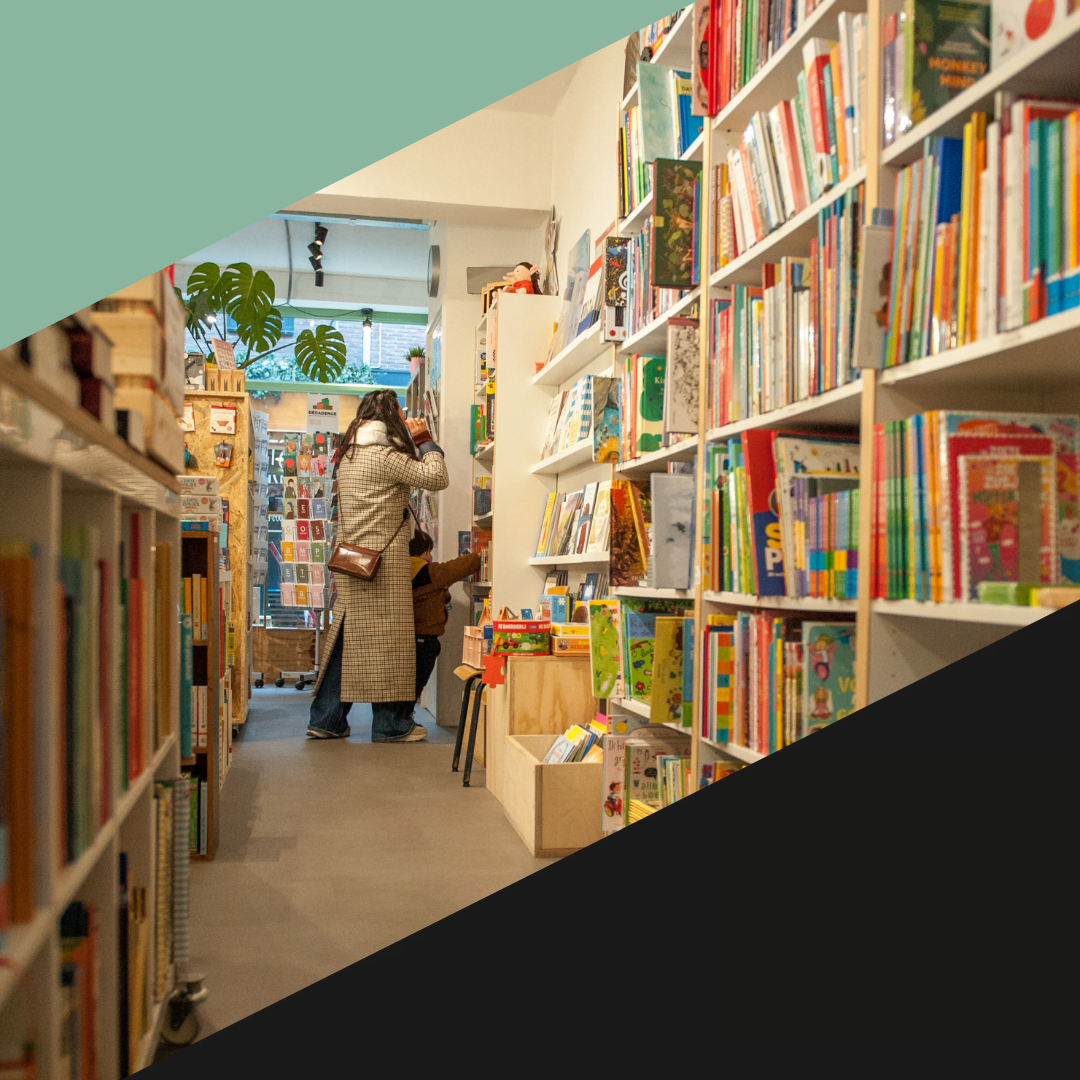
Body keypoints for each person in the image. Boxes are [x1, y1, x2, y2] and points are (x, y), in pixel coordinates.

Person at [306, 390, 448, 741]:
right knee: (389, 644)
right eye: (400, 411)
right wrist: (424, 440)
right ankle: (390, 724)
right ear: (391, 418)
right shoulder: (384, 456)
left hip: (353, 560)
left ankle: (326, 719)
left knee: (346, 639)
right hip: (384, 564)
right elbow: (437, 478)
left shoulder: (349, 455)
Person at [407, 530, 481, 726]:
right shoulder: (427, 572)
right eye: (429, 552)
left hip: (409, 636)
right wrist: (483, 554)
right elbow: (457, 568)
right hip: (424, 638)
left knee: (408, 682)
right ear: (423, 552)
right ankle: (403, 720)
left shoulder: (402, 571)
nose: (431, 558)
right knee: (417, 681)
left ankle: (402, 718)